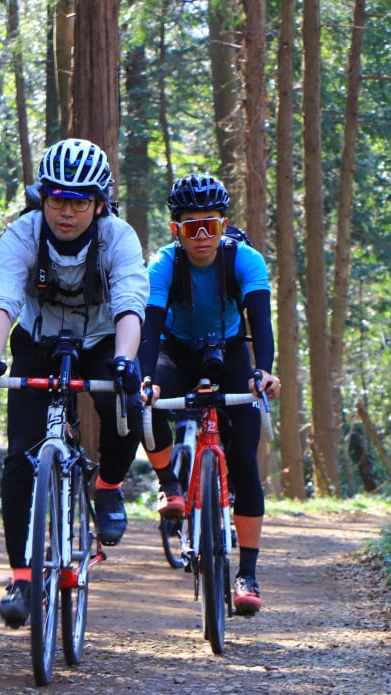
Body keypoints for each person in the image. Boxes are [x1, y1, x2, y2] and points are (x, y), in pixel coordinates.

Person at [0, 138, 148, 628]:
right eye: (56, 199)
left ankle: (108, 485)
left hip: (101, 337)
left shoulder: (119, 237)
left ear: (99, 202)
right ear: (41, 196)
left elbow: (132, 300)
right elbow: (3, 295)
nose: (66, 212)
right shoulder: (24, 232)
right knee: (20, 457)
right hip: (38, 337)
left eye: (79, 201)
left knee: (126, 408)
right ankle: (22, 578)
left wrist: (126, 360)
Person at [138, 173, 281, 616]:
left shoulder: (246, 259)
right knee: (143, 403)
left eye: (211, 226)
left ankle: (248, 574)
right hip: (176, 352)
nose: (202, 237)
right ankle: (170, 484)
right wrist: (146, 378)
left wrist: (263, 373)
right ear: (175, 231)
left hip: (232, 352)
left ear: (224, 225)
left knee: (243, 458)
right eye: (190, 228)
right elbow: (150, 328)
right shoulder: (163, 264)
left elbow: (261, 325)